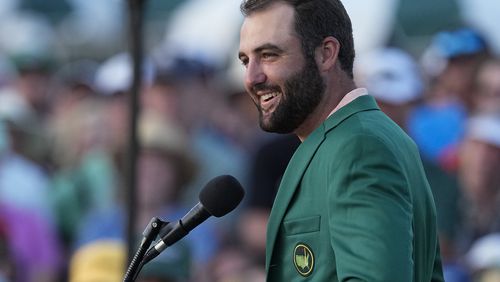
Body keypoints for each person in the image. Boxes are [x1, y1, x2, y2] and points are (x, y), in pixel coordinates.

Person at [237, 0, 444, 281]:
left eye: (270, 55)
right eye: (246, 60)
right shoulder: (352, 138)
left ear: (326, 54)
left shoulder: (359, 148)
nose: (252, 77)